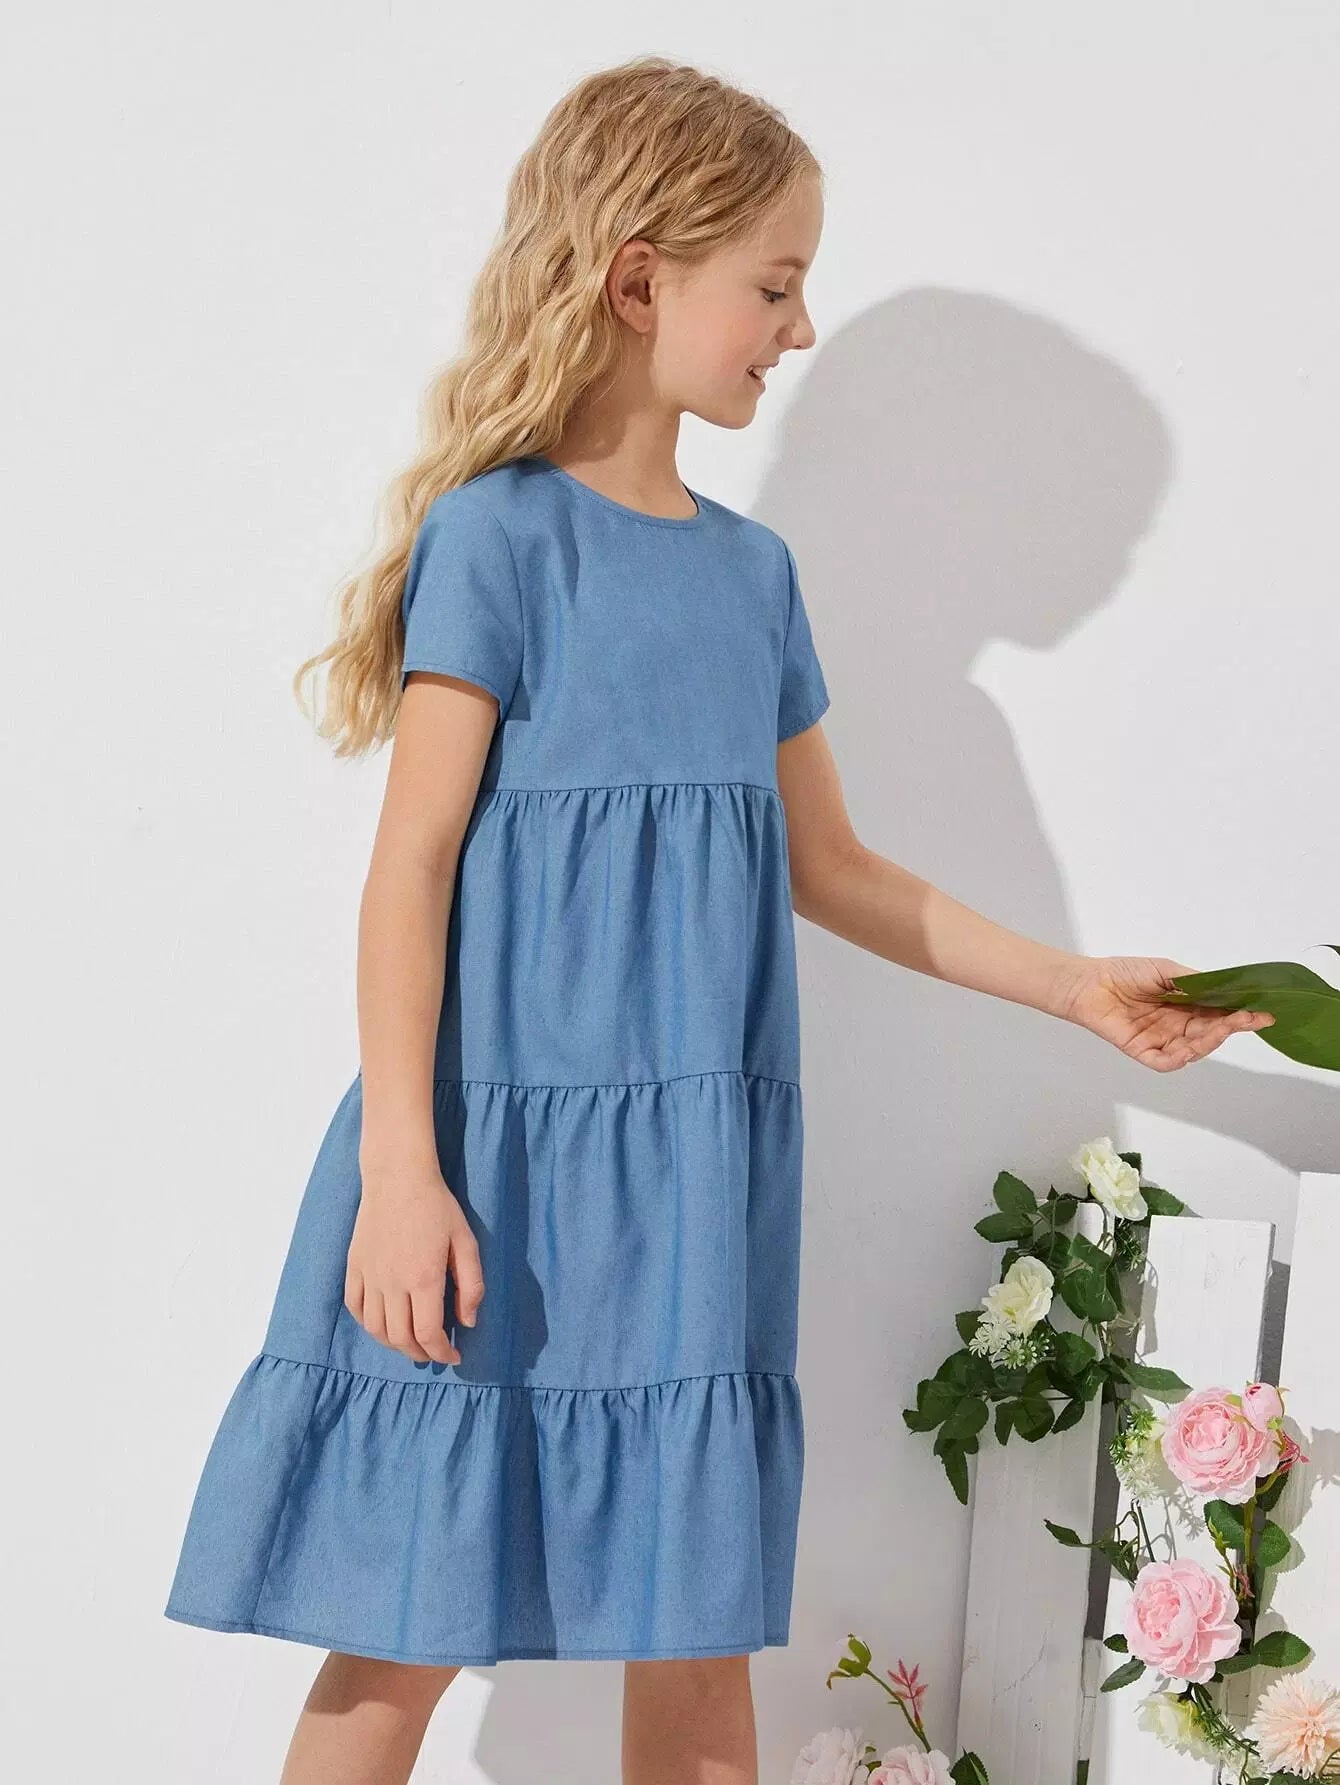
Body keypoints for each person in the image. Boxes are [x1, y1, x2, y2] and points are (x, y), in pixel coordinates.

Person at [161, 53, 1275, 1785]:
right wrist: (400, 1166)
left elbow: (833, 866)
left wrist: (1077, 988)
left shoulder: (752, 580)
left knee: (694, 1651)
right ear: (637, 283)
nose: (799, 327)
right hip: (485, 1177)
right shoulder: (498, 542)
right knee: (400, 1630)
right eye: (774, 285)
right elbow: (412, 864)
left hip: (686, 1195)